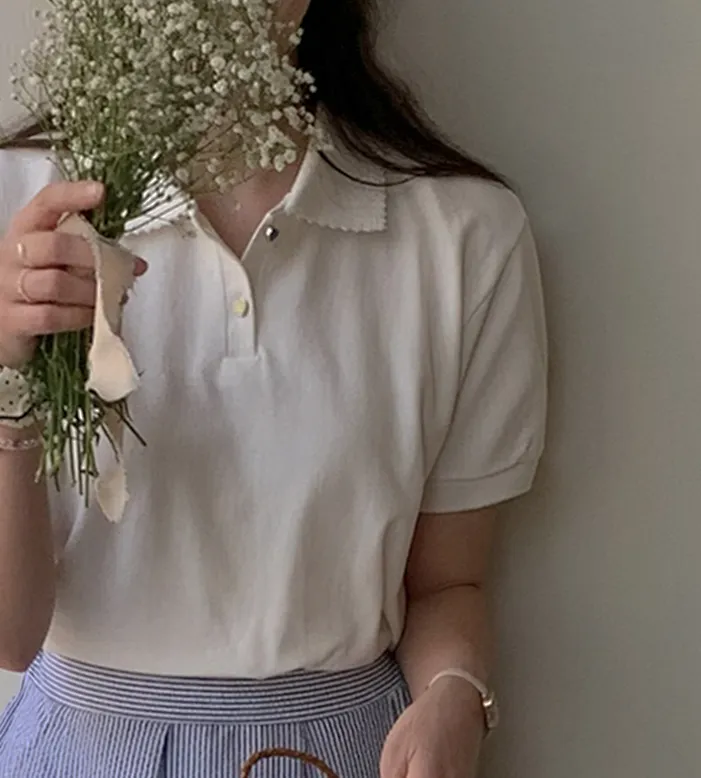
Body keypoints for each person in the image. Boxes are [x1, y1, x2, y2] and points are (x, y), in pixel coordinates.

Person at [0, 0, 547, 776]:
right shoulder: (22, 208)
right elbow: (8, 636)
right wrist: (8, 368)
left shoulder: (465, 237)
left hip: (336, 751)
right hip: (79, 751)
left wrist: (457, 696)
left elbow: (447, 582)